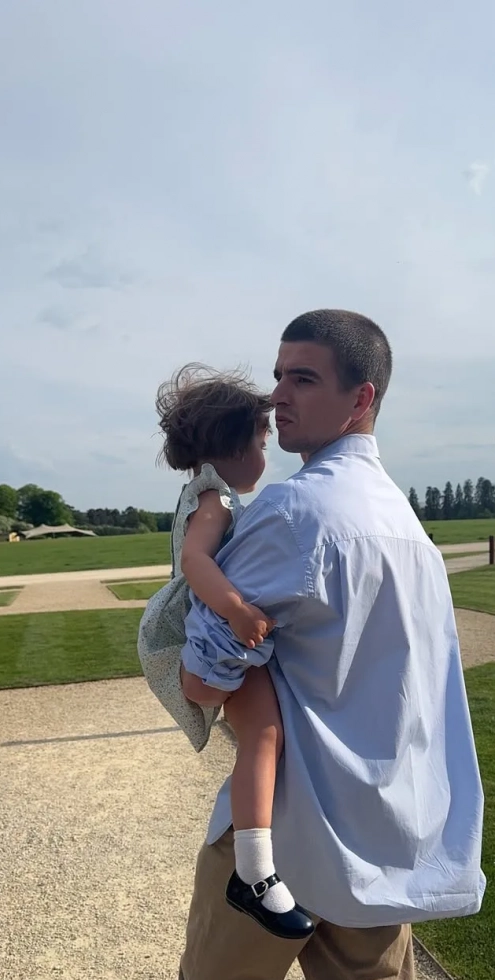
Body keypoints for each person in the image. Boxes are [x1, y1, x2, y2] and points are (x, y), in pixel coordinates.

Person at [168, 310, 485, 980]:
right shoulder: (409, 529)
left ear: (361, 398)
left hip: (287, 826)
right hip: (383, 829)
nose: (279, 396)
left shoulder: (292, 511)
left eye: (303, 378)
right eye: (279, 376)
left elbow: (202, 676)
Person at [137, 365, 313, 939]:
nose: (266, 454)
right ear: (235, 444)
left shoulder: (210, 492)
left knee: (263, 737)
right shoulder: (214, 497)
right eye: (262, 442)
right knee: (263, 738)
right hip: (211, 639)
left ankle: (255, 868)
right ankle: (255, 874)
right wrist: (236, 608)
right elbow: (195, 561)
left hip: (211, 638)